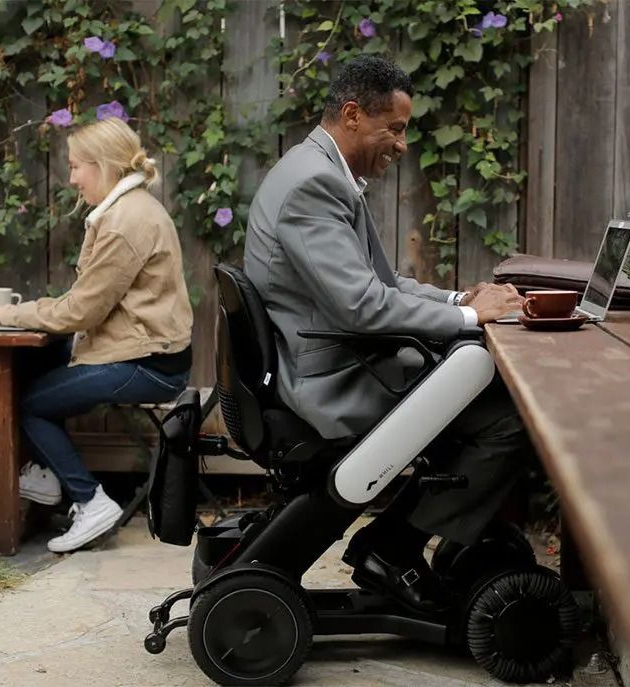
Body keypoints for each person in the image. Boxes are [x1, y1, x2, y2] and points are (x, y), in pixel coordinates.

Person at [244, 55, 527, 613]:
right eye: (394, 129)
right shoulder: (314, 185)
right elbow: (362, 307)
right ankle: (392, 549)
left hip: (331, 364)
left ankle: (406, 543)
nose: (401, 144)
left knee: (483, 400)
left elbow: (377, 283)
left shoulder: (316, 171)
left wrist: (458, 301)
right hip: (331, 384)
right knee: (508, 418)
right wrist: (474, 322)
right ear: (352, 115)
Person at [0, 117, 194, 553]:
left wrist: (15, 313)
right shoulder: (127, 209)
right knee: (38, 368)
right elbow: (88, 301)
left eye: (78, 166)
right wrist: (28, 314)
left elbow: (82, 309)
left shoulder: (123, 222)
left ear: (106, 166)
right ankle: (44, 475)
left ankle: (89, 500)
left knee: (31, 405)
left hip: (149, 364)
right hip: (143, 350)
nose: (72, 177)